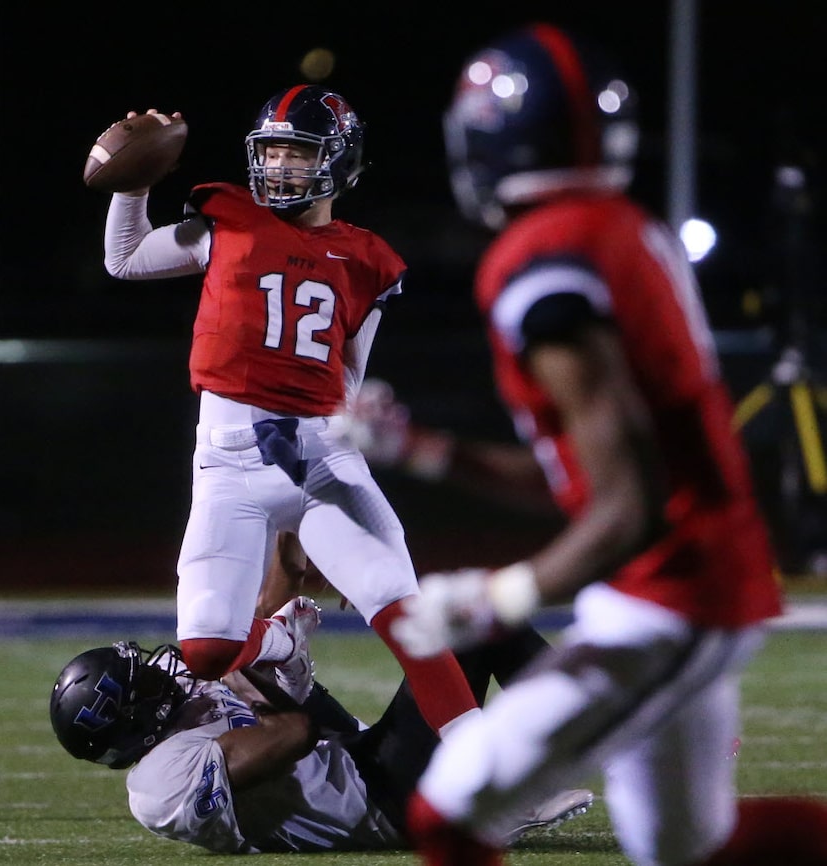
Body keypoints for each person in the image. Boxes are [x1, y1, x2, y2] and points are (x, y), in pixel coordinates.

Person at [375, 22, 827, 866]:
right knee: (688, 847)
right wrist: (431, 451)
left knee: (450, 809)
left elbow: (627, 505)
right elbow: (595, 476)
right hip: (689, 575)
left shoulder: (543, 264)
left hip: (671, 596)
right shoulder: (620, 228)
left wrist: (497, 601)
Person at [95, 85, 481, 738]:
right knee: (207, 650)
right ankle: (281, 642)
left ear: (341, 163)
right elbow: (124, 258)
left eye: (296, 154)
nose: (278, 169)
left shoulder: (367, 259)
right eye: (270, 153)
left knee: (406, 620)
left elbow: (349, 376)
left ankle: (499, 778)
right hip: (225, 459)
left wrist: (354, 437)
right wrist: (131, 186)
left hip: (321, 456)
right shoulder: (227, 220)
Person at [48, 616, 593, 854]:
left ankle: (579, 725)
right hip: (379, 801)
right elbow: (294, 732)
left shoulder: (179, 716)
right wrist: (265, 664)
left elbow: (302, 716)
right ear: (130, 720)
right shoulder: (159, 785)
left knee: (474, 621)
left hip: (357, 758)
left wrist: (292, 547)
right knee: (480, 627)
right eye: (141, 683)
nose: (158, 671)